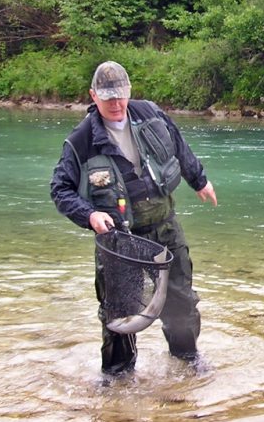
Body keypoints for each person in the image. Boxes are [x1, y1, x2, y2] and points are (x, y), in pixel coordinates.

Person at [50, 60, 217, 374]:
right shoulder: (81, 141)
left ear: (128, 92)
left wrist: (199, 180)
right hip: (120, 240)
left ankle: (187, 362)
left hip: (165, 228)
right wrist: (90, 215)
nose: (116, 104)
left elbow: (178, 145)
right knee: (119, 313)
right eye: (108, 98)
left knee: (181, 302)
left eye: (120, 96)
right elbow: (60, 189)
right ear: (93, 96)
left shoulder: (149, 113)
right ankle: (118, 379)